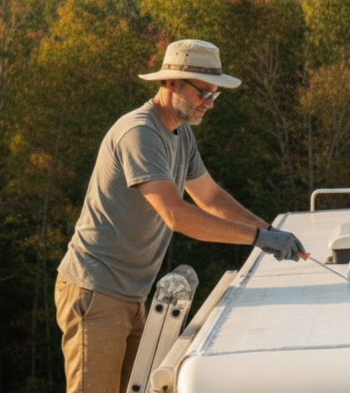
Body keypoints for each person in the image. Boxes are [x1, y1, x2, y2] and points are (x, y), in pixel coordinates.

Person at [54, 39, 305, 393]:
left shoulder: (181, 136)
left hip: (131, 294)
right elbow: (176, 214)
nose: (209, 104)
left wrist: (271, 232)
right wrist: (259, 239)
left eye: (214, 95)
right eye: (204, 93)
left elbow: (211, 197)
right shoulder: (140, 133)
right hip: (96, 289)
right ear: (171, 83)